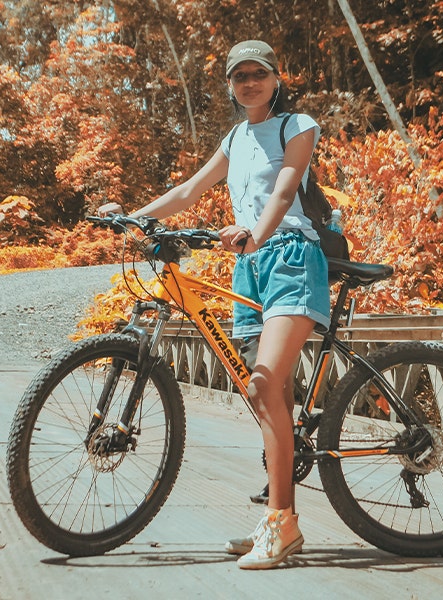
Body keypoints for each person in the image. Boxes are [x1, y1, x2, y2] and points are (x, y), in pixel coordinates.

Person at [97, 40, 328, 570]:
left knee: (263, 380)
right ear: (229, 84)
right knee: (265, 394)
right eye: (238, 75)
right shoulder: (235, 136)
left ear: (276, 77)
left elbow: (286, 188)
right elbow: (190, 189)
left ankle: (282, 525)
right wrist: (132, 218)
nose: (249, 82)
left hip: (291, 257)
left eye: (258, 74)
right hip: (248, 267)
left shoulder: (298, 124)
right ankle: (278, 517)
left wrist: (255, 232)